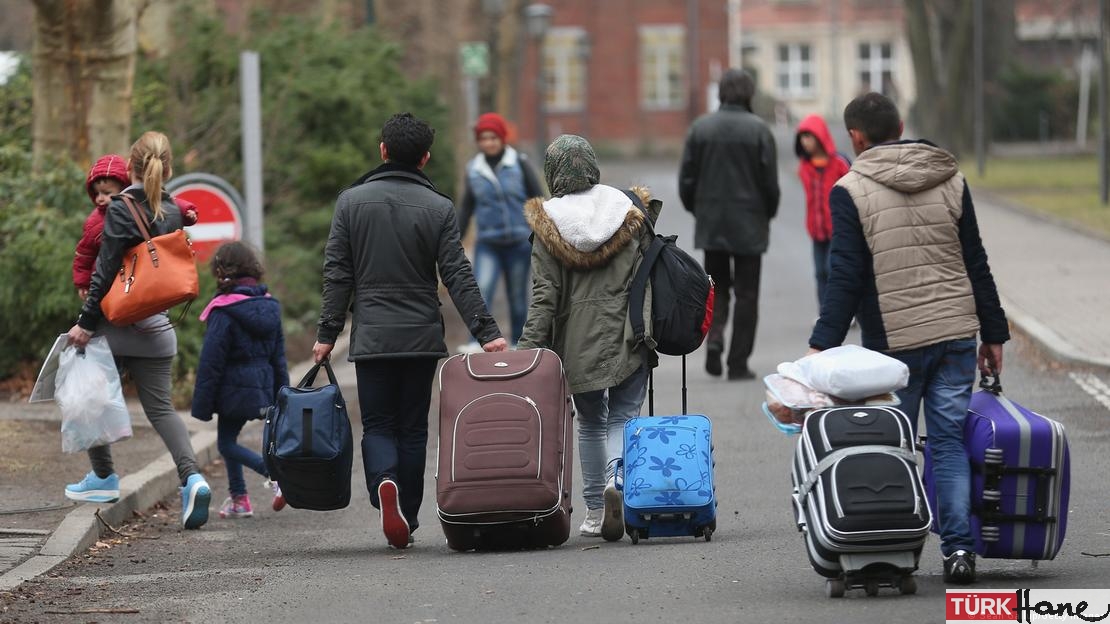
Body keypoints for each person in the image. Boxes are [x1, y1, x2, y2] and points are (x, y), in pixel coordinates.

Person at [807, 92, 1009, 584]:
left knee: (891, 449)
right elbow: (975, 260)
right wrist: (994, 332)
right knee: (947, 444)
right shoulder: (950, 177)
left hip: (893, 346)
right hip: (957, 333)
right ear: (900, 125)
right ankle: (960, 552)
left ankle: (894, 550)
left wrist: (821, 345)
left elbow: (847, 277)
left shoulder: (849, 189)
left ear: (855, 137)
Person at [312, 112, 507, 549]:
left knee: (378, 423)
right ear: (425, 158)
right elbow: (457, 273)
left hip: (373, 335)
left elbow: (337, 273)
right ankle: (410, 516)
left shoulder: (350, 203)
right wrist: (486, 330)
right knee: (414, 427)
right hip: (420, 335)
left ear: (382, 150)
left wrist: (327, 333)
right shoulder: (438, 207)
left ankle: (385, 486)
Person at [65, 131, 213, 530]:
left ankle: (102, 477)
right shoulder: (173, 210)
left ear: (129, 167)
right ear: (169, 168)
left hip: (114, 327)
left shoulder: (118, 209)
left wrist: (84, 324)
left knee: (87, 397)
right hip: (158, 328)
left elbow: (106, 270)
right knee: (163, 411)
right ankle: (193, 478)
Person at [517, 134, 659, 543]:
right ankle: (619, 478)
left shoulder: (549, 225)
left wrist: (527, 353)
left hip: (576, 344)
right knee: (624, 416)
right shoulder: (629, 211)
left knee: (592, 422)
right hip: (631, 331)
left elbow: (545, 298)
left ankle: (597, 509)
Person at [679, 68, 780, 381]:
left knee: (717, 288)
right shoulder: (760, 131)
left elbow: (686, 180)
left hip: (712, 223)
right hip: (750, 223)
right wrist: (766, 214)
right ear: (749, 94)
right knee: (748, 294)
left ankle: (716, 339)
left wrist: (699, 210)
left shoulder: (700, 129)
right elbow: (770, 185)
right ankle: (738, 362)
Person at [191, 241, 288, 519]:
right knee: (228, 437)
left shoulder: (222, 310)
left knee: (225, 444)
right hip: (262, 385)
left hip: (232, 389)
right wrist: (281, 394)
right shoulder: (270, 306)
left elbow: (212, 361)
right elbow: (278, 357)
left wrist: (202, 404)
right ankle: (239, 499)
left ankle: (274, 475)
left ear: (221, 271)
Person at [456, 112, 545, 352]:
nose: (488, 142)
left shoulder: (519, 163)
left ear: (502, 138)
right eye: (483, 138)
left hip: (518, 242)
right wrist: (454, 241)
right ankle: (477, 341)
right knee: (482, 290)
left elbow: (538, 198)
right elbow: (466, 208)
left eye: (493, 137)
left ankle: (518, 342)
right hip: (488, 243)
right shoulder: (474, 169)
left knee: (517, 297)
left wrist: (543, 234)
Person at [73, 153, 198, 300]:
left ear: (125, 190)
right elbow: (85, 254)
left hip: (143, 276)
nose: (100, 198)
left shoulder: (136, 207)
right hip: (111, 283)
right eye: (97, 193)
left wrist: (186, 211)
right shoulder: (94, 223)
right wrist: (83, 282)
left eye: (107, 193)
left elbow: (164, 203)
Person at [794, 115, 851, 309]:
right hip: (816, 229)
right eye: (802, 137)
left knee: (833, 269)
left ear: (820, 136)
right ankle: (825, 313)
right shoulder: (804, 167)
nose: (805, 141)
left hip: (838, 227)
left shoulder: (839, 163)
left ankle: (843, 310)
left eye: (809, 136)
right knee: (820, 272)